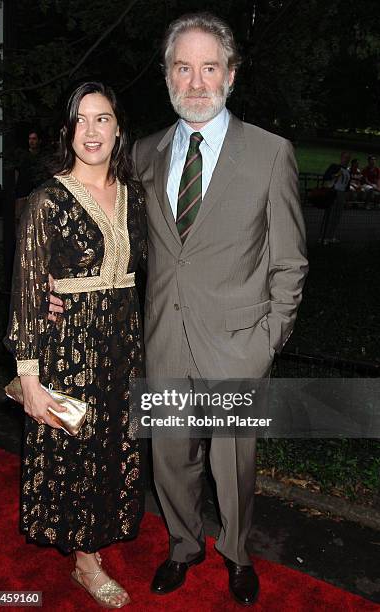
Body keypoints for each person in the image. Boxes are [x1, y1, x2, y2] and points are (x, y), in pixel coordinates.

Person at [50, 12, 308, 607]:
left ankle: (238, 554)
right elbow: (106, 229)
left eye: (209, 67)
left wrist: (267, 341)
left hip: (237, 345)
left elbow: (289, 261)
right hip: (163, 340)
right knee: (169, 461)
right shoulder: (141, 153)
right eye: (182, 67)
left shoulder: (271, 154)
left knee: (233, 470)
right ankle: (184, 546)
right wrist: (60, 287)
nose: (196, 82)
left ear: (231, 75)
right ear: (167, 75)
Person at [5, 81, 147, 609]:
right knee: (78, 450)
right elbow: (25, 290)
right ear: (69, 131)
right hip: (69, 347)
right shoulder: (47, 200)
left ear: (118, 129)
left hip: (124, 347)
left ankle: (98, 539)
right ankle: (86, 563)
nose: (92, 131)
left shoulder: (137, 196)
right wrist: (29, 378)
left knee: (115, 447)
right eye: (82, 120)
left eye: (103, 119)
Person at [14, 130, 49, 230]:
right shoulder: (23, 156)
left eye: (34, 139)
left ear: (39, 141)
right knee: (20, 217)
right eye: (30, 139)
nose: (31, 141)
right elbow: (17, 172)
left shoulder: (43, 157)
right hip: (22, 190)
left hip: (38, 190)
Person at [320, 151, 351, 244]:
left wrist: (347, 198)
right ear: (341, 157)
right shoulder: (334, 167)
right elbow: (326, 177)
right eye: (345, 157)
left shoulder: (348, 172)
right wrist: (335, 175)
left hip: (342, 195)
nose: (346, 160)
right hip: (333, 193)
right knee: (330, 215)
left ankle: (331, 236)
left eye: (348, 158)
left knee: (337, 216)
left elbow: (347, 186)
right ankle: (323, 237)